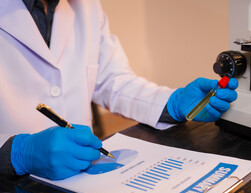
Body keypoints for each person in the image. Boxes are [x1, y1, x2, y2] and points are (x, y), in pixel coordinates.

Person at [0, 0, 238, 180]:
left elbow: (112, 80)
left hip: (80, 185)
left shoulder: (86, 5)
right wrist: (17, 153)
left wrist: (171, 104)